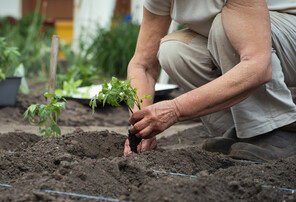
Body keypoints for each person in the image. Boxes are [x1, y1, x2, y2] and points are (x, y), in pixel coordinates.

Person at [123, 0, 296, 161]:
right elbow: (142, 65)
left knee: (225, 27)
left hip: (283, 38)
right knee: (173, 50)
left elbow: (258, 67)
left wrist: (175, 109)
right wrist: (141, 126)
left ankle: (279, 130)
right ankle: (244, 132)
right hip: (246, 41)